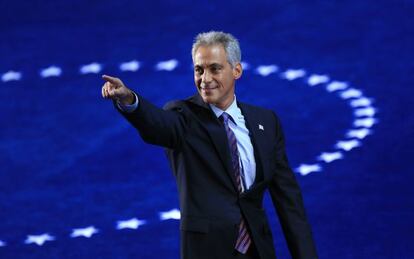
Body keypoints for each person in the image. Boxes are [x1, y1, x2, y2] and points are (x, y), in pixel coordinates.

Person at [101, 31, 318, 259]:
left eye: (215, 69)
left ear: (236, 70)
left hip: (257, 249)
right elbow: (157, 124)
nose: (205, 79)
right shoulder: (182, 116)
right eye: (199, 70)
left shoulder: (266, 122)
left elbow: (289, 203)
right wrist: (129, 100)